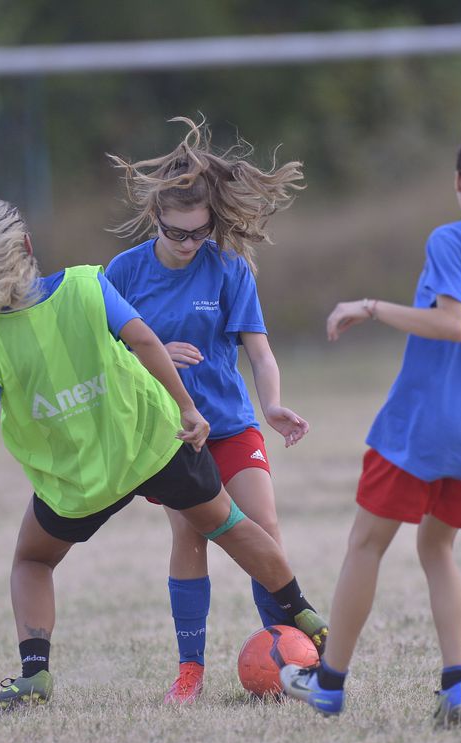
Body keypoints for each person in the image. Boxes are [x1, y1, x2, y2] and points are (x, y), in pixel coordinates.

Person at [0, 193, 327, 711]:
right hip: (150, 445)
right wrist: (187, 409)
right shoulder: (85, 284)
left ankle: (34, 676)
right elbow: (145, 342)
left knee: (32, 560)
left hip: (79, 480)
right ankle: (303, 614)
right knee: (231, 527)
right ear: (27, 246)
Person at [281, 112, 461, 727]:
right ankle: (457, 683)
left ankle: (329, 683)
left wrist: (370, 306)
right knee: (437, 548)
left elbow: (453, 323)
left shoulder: (452, 242)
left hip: (423, 427)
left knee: (366, 543)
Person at [105, 117, 312, 705]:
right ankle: (190, 672)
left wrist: (270, 403)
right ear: (156, 219)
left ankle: (290, 653)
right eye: (178, 233)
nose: (191, 243)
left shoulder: (229, 268)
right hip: (171, 435)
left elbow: (260, 350)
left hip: (231, 423)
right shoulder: (122, 274)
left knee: (263, 531)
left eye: (201, 232)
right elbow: (102, 358)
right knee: (192, 537)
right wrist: (152, 355)